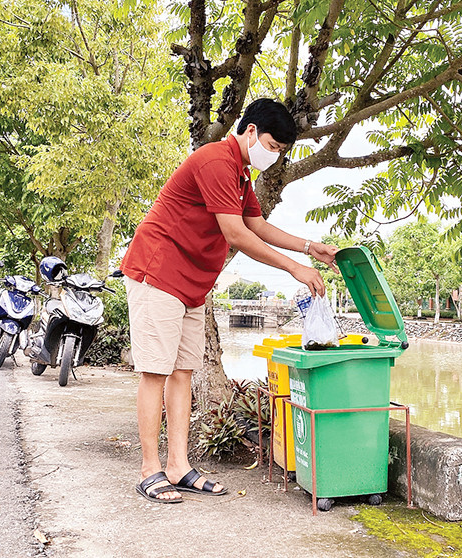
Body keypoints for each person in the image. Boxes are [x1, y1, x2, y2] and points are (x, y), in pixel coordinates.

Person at [120, 98, 339, 504]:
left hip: (191, 282)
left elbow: (257, 225)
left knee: (182, 372)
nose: (274, 156)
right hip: (158, 271)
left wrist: (311, 248)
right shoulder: (216, 160)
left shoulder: (240, 174)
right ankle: (150, 469)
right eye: (272, 146)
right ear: (251, 131)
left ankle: (178, 466)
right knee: (155, 371)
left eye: (280, 152)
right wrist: (294, 269)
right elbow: (237, 235)